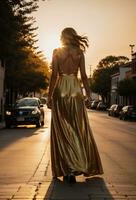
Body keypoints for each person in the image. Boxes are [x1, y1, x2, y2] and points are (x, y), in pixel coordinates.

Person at [47, 27, 103, 183]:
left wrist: (49, 96)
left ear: (63, 37)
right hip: (76, 89)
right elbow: (84, 76)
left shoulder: (57, 51)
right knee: (77, 128)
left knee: (62, 130)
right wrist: (88, 94)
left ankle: (67, 170)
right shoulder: (79, 52)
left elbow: (54, 75)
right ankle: (78, 164)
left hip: (61, 89)